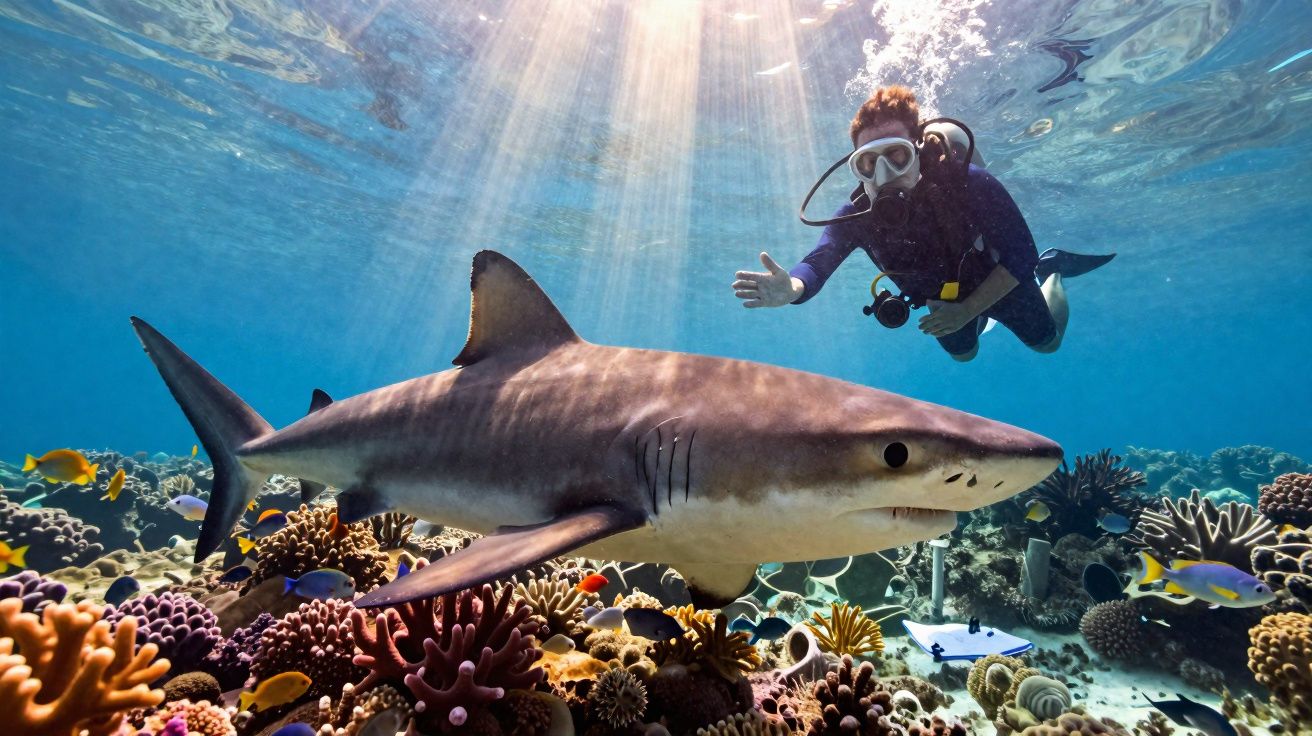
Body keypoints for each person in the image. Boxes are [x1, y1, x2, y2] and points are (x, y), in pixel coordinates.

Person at [732, 85, 1113, 361]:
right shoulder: (857, 215)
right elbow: (819, 261)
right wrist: (794, 288)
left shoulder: (969, 184)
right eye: (868, 162)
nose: (883, 174)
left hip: (1001, 282)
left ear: (918, 151)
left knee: (1049, 344)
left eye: (896, 156)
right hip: (943, 301)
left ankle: (1055, 272)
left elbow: (1020, 257)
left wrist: (968, 310)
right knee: (965, 356)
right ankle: (976, 321)